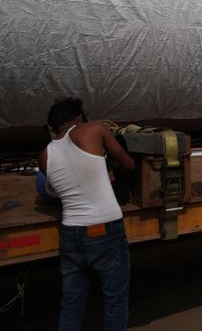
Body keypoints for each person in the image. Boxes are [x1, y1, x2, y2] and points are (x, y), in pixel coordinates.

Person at [39, 98, 135, 331]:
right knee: (114, 300)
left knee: (71, 304)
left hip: (72, 232)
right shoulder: (94, 129)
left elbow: (55, 191)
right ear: (79, 118)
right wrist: (109, 167)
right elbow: (129, 165)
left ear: (54, 126)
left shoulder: (45, 155)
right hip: (105, 230)